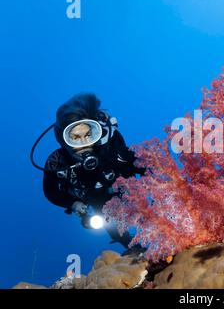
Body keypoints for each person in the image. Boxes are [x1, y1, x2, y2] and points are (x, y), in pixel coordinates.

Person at [34, 93, 146, 248]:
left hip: (126, 192)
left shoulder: (113, 149)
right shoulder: (56, 163)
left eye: (88, 135)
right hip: (95, 201)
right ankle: (133, 249)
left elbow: (146, 165)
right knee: (114, 230)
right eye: (74, 137)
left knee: (147, 215)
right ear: (62, 139)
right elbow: (51, 193)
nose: (84, 143)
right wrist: (74, 204)